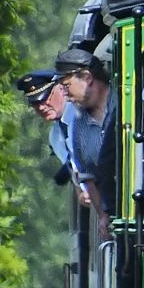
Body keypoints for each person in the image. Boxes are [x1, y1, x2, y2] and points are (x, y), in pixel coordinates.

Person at [55, 47, 117, 233]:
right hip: (116, 215)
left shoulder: (124, 102)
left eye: (66, 85)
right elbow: (88, 177)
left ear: (87, 78)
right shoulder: (78, 127)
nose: (65, 93)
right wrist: (103, 215)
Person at [15, 70, 76, 186]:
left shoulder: (83, 115)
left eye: (44, 98)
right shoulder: (54, 136)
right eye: (35, 103)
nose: (41, 107)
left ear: (61, 89)